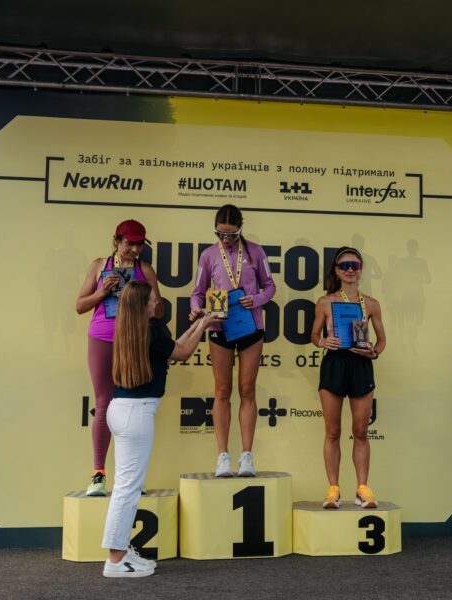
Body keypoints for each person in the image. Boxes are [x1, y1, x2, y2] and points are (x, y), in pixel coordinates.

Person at [102, 280, 217, 577]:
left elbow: (175, 347)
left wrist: (199, 323)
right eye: (153, 299)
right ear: (142, 305)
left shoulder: (138, 330)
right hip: (136, 413)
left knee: (126, 486)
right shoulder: (150, 331)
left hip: (123, 410)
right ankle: (115, 559)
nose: (157, 302)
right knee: (128, 489)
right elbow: (184, 353)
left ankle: (121, 551)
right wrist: (204, 326)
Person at [76, 220, 164, 496]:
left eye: (139, 244)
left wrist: (142, 298)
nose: (135, 249)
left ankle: (132, 475)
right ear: (117, 240)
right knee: (104, 403)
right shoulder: (98, 265)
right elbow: (80, 306)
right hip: (102, 337)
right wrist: (102, 292)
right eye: (130, 243)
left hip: (134, 341)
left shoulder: (145, 270)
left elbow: (160, 311)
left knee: (133, 406)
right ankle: (98, 475)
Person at [190, 204, 276, 478]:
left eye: (231, 235)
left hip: (250, 324)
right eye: (220, 234)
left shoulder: (256, 252)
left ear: (240, 229)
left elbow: (270, 286)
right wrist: (196, 309)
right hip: (220, 324)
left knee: (247, 389)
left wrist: (257, 299)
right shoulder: (208, 255)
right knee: (222, 390)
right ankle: (223, 457)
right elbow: (197, 292)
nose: (225, 239)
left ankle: (247, 456)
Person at [310, 246, 386, 509]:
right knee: (332, 431)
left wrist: (373, 352)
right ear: (337, 270)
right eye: (345, 266)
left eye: (355, 265)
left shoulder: (371, 304)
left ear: (361, 270)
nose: (350, 270)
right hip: (334, 364)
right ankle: (333, 488)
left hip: (361, 365)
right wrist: (323, 341)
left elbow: (382, 340)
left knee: (361, 431)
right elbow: (314, 335)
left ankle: (362, 488)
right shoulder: (325, 302)